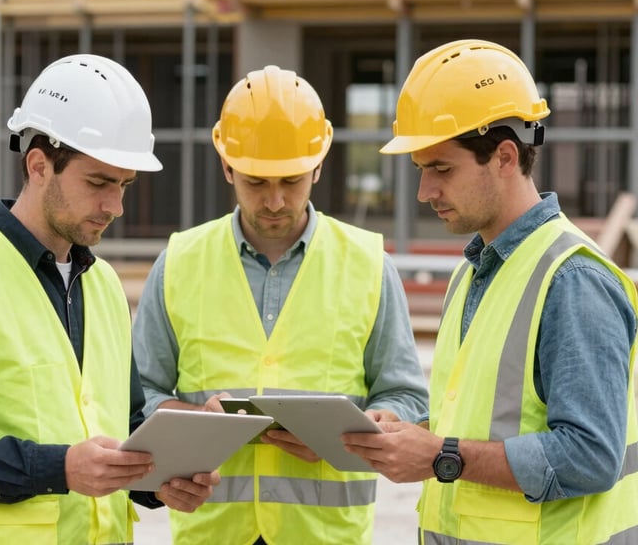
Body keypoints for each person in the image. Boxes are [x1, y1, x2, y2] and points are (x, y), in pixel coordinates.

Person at [0, 54, 220, 544]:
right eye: (98, 183)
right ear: (39, 165)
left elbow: (120, 425)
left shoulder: (102, 286)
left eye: (124, 185)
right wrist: (57, 467)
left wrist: (160, 481)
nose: (115, 206)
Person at [342, 39, 638, 544]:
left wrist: (440, 456)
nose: (424, 192)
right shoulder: (476, 270)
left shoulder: (572, 281)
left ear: (504, 156)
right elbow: (487, 417)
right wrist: (410, 430)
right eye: (421, 170)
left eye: (441, 169)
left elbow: (590, 457)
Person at [132, 64, 429, 545]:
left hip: (325, 536)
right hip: (213, 533)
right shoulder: (179, 262)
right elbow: (138, 393)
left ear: (319, 164)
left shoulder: (369, 264)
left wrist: (366, 430)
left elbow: (408, 398)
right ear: (226, 165)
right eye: (255, 182)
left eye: (291, 181)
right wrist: (187, 422)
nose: (274, 201)